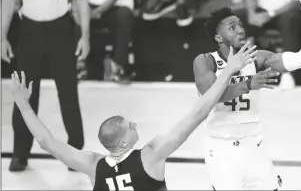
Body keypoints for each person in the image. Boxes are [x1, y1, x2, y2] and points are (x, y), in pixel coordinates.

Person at [10, 44, 277, 190]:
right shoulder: (150, 155)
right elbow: (200, 111)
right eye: (129, 127)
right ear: (124, 143)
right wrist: (229, 70)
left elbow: (46, 142)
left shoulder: (93, 165)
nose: (135, 123)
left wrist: (23, 105)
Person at [193, 7, 301, 190]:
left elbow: (300, 59)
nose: (240, 30)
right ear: (218, 37)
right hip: (220, 149)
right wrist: (247, 84)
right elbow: (211, 96)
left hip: (253, 145)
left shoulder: (258, 59)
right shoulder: (205, 61)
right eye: (232, 27)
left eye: (240, 25)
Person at [1, 0, 90, 172]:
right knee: (26, 94)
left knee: (68, 91)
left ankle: (75, 152)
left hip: (62, 31)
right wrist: (2, 36)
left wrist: (85, 36)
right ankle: (20, 153)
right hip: (30, 32)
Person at [244, 0, 301, 89]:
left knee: (290, 20)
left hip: (285, 13)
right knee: (236, 17)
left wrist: (271, 14)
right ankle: (241, 71)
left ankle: (288, 74)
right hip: (262, 11)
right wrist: (251, 13)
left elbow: (297, 2)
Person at [78, 0, 138, 83]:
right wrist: (84, 9)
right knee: (73, 14)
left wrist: (99, 11)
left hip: (116, 8)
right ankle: (79, 64)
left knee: (124, 16)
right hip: (91, 5)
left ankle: (118, 67)